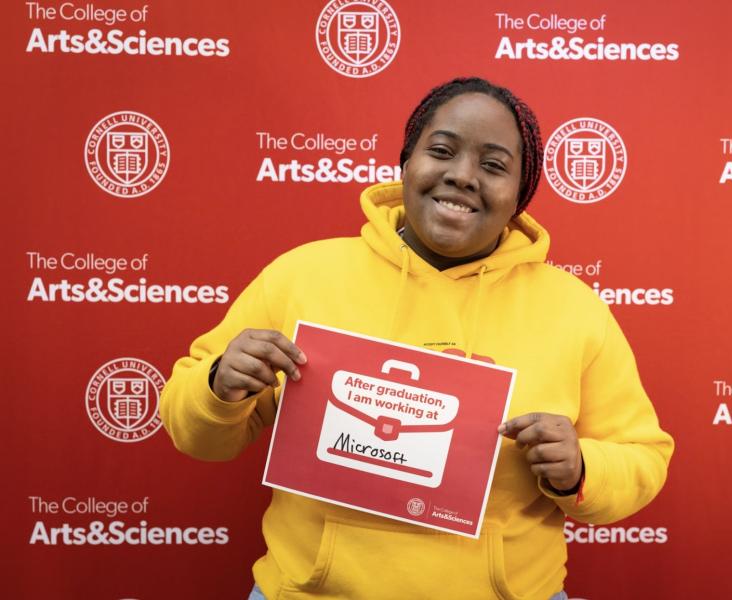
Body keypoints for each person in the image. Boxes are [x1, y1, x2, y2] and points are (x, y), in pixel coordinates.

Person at [160, 77, 674, 600]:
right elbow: (194, 434)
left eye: (493, 166)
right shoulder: (302, 276)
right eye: (442, 151)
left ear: (520, 196)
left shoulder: (573, 308)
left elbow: (644, 456)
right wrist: (219, 386)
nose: (462, 176)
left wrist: (582, 469)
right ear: (405, 163)